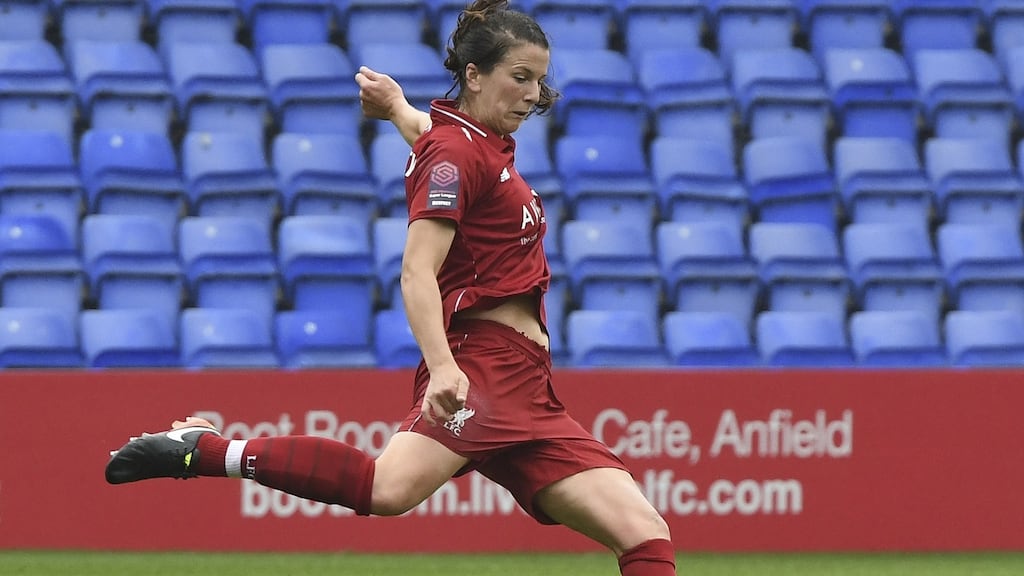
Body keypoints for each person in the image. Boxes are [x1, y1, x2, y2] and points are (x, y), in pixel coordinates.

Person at [105, 1, 676, 574]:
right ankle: (204, 451)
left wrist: (399, 108)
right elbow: (416, 271)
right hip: (484, 367)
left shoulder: (471, 143)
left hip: (529, 386)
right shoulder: (456, 153)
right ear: (474, 75)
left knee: (645, 534)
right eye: (520, 77)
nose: (533, 94)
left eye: (539, 80)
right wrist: (445, 365)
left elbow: (440, 146)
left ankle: (207, 450)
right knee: (387, 488)